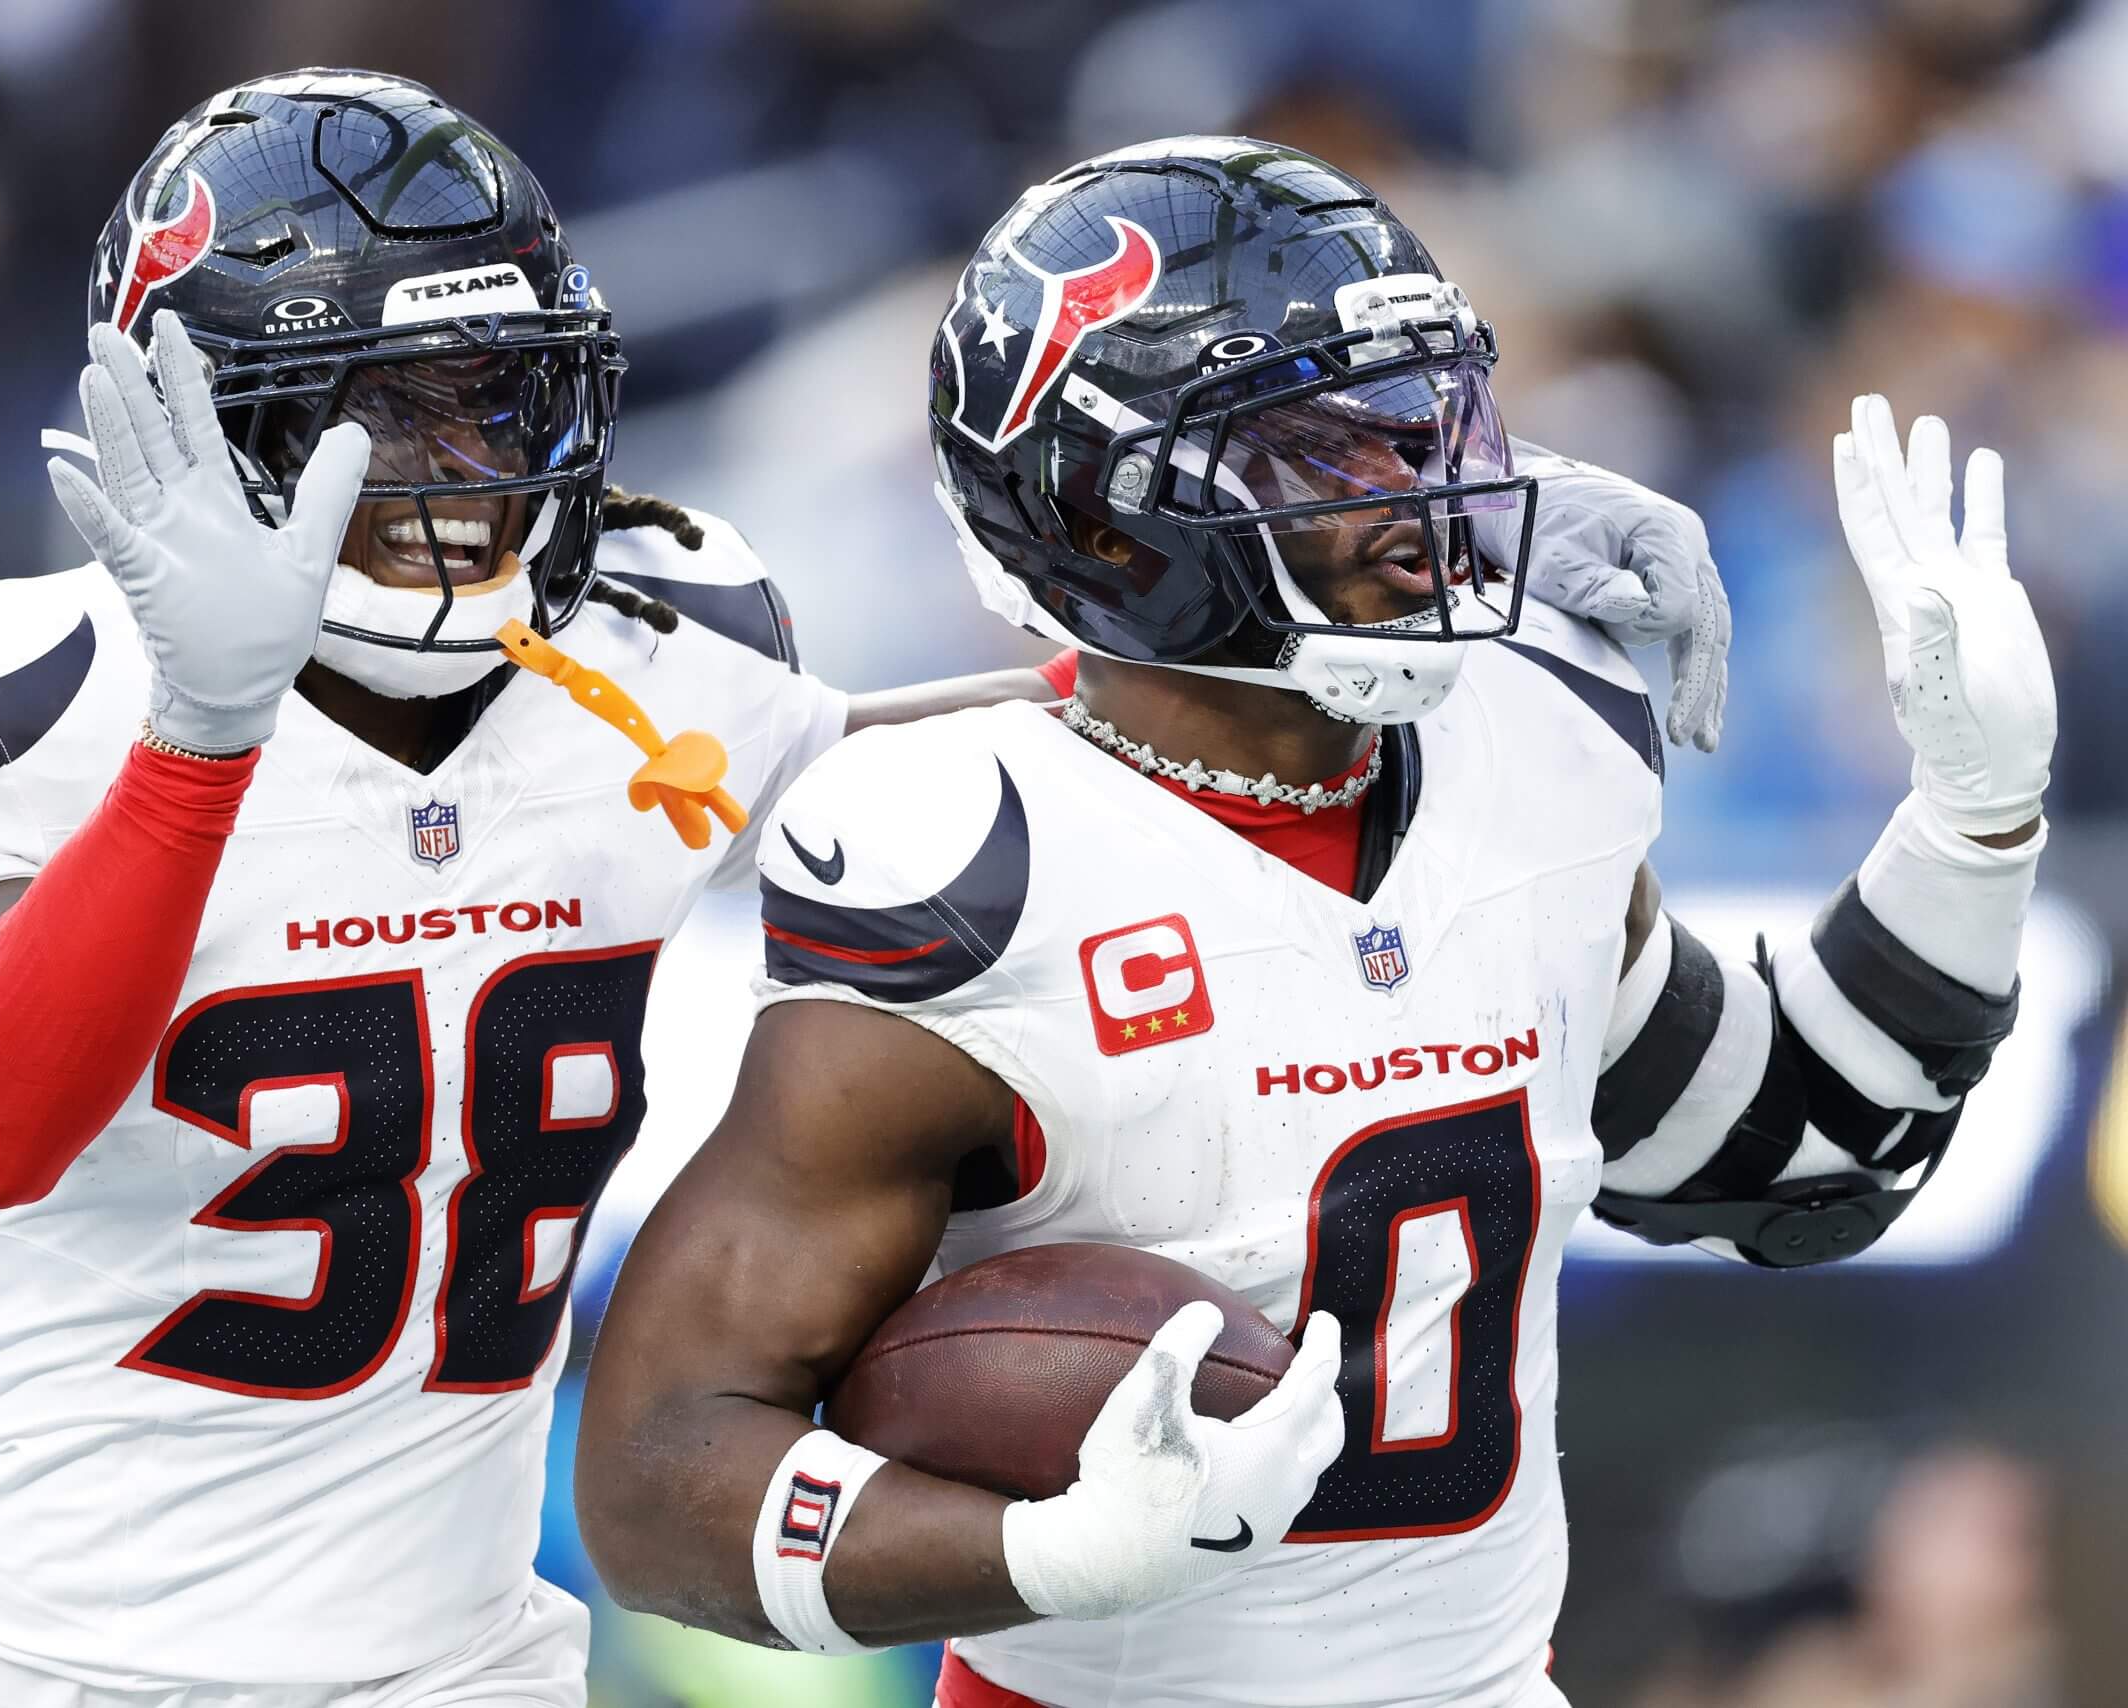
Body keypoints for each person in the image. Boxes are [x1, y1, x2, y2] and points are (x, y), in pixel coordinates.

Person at [0, 80, 1723, 1704]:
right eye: (398, 411)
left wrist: (1404, 526)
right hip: (67, 1662)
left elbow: (1073, 726)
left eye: (508, 399)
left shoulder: (654, 659)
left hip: (476, 1663)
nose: (478, 479)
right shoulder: (14, 693)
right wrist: (198, 751)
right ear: (210, 410)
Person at [573, 138, 2055, 1708]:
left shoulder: (1535, 740)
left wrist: (1971, 822)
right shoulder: (975, 864)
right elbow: (664, 1475)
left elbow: (1806, 1170)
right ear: (1110, 522)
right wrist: (1038, 1561)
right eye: (1324, 453)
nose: (1430, 491)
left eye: (1426, 421)